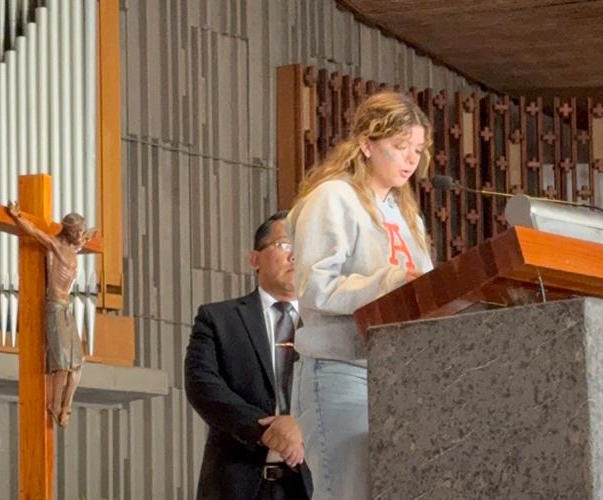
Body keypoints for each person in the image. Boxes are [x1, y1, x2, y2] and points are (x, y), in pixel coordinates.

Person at [287, 91, 435, 500]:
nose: (411, 160)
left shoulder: (408, 216)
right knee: (346, 493)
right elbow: (316, 288)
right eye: (399, 147)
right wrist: (388, 283)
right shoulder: (334, 198)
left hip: (397, 374)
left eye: (418, 150)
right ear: (368, 144)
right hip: (340, 370)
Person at [185, 211, 313, 500]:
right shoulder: (218, 319)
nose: (295, 257)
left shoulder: (327, 326)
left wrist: (301, 426)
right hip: (237, 484)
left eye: (302, 247)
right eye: (284, 245)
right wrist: (264, 431)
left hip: (310, 484)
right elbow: (202, 386)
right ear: (255, 259)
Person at [6, 203, 96, 427]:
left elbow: (83, 241)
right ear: (66, 230)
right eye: (76, 230)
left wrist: (87, 236)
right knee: (63, 363)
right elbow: (35, 232)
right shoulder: (56, 245)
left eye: (81, 230)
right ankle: (55, 405)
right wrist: (18, 217)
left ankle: (66, 407)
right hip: (54, 306)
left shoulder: (75, 248)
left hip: (66, 307)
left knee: (79, 363)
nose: (79, 234)